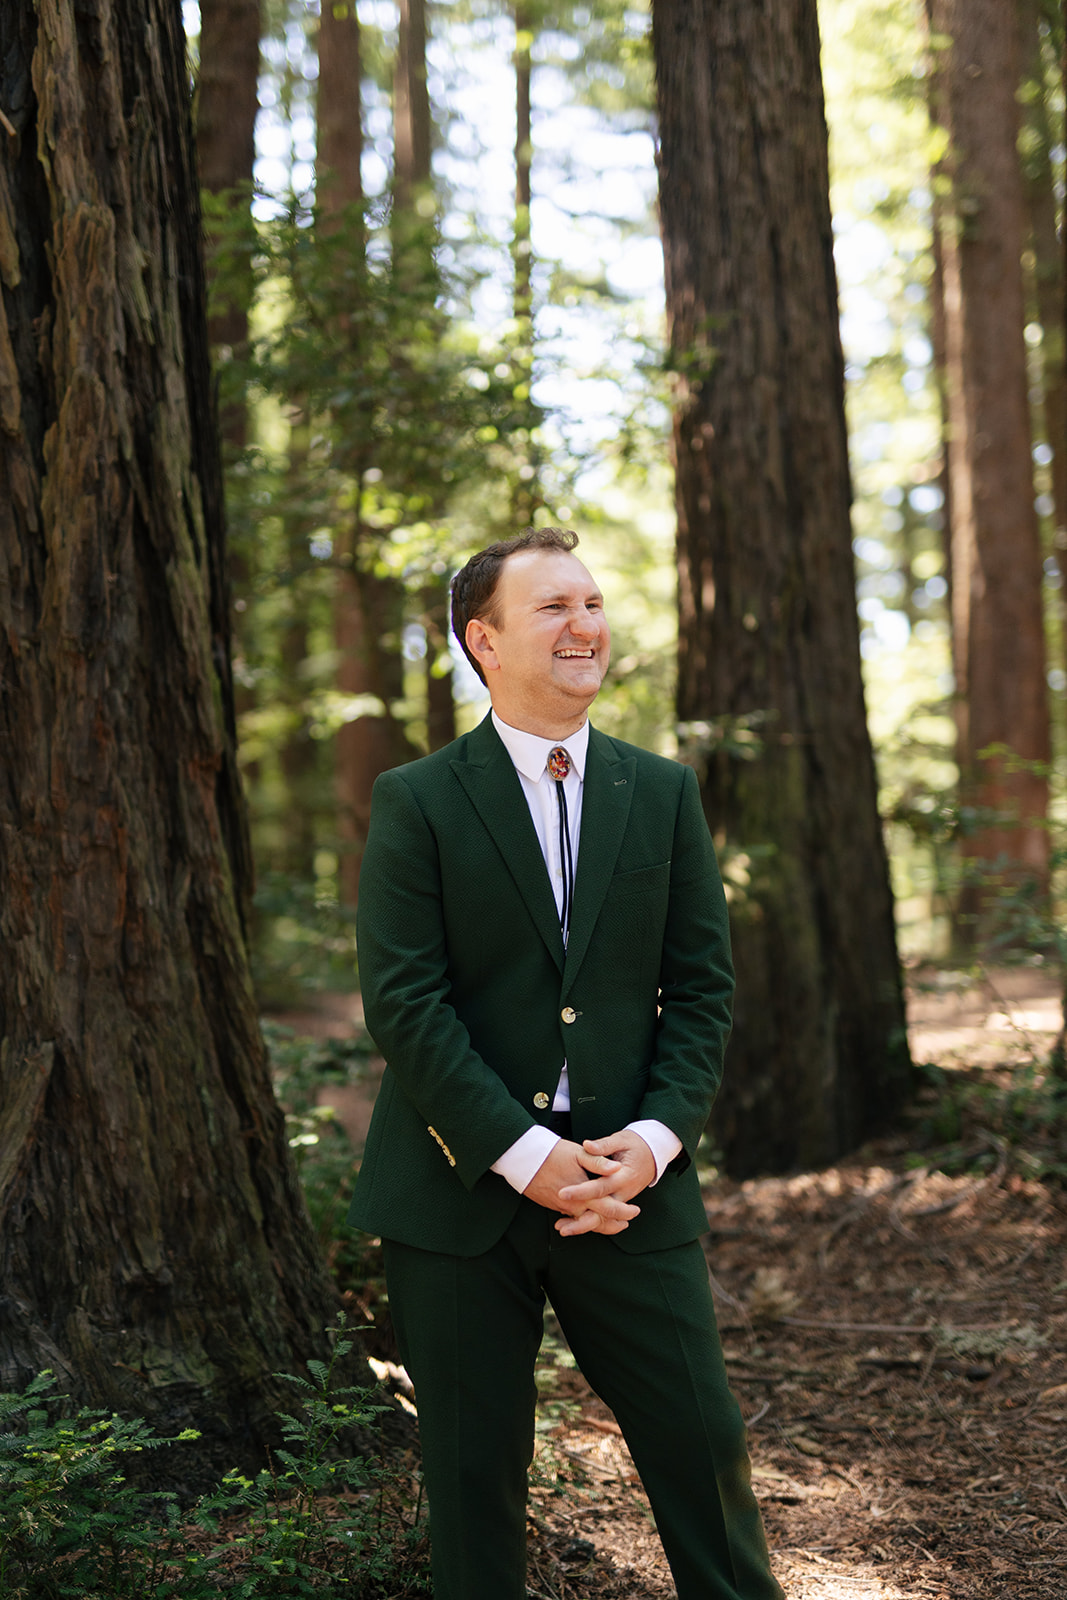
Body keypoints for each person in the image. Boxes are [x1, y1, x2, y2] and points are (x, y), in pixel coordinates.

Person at [348, 528, 783, 1600]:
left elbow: (702, 989)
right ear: (481, 639)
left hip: (627, 1191)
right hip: (459, 1200)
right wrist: (520, 1151)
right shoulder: (417, 800)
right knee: (472, 1485)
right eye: (553, 607)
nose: (585, 624)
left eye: (591, 602)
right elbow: (403, 1002)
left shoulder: (662, 791)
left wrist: (651, 1140)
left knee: (701, 1450)